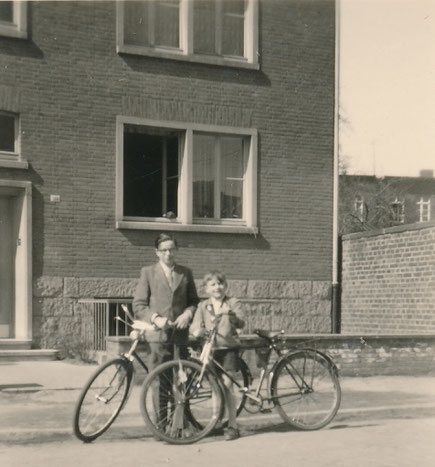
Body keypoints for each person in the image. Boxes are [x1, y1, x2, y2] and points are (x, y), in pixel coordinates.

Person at [190, 271, 245, 441]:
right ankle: (216, 421)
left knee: (227, 385)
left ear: (225, 286)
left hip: (228, 348)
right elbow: (195, 325)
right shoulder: (203, 306)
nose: (217, 287)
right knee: (215, 386)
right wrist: (197, 330)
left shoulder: (232, 302)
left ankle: (233, 425)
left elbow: (241, 322)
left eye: (220, 284)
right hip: (211, 350)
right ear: (206, 289)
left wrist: (232, 315)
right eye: (212, 285)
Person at [133, 233, 199, 368]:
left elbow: (193, 301)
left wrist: (187, 314)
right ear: (157, 252)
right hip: (157, 335)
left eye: (172, 249)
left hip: (180, 336)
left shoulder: (185, 273)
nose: (168, 254)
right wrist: (156, 318)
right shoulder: (148, 272)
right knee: (157, 381)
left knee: (181, 380)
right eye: (164, 250)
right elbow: (139, 305)